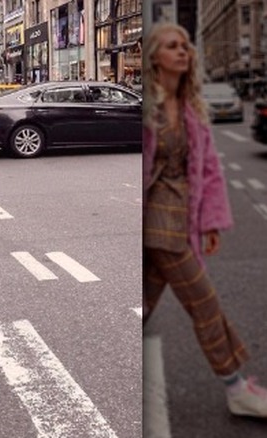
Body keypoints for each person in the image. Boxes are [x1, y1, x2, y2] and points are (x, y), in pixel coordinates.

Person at [142, 22, 267, 418]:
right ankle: (235, 387)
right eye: (172, 46)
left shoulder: (192, 107)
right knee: (204, 302)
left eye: (185, 47)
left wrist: (210, 221)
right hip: (159, 222)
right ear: (154, 57)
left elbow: (209, 167)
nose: (183, 52)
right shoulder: (147, 104)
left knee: (143, 304)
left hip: (181, 217)